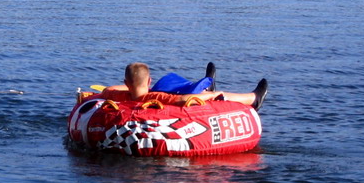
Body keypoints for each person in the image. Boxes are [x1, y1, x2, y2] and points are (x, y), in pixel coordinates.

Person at [102, 62, 268, 110]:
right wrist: (211, 96)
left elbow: (108, 90)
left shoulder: (116, 95)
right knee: (217, 95)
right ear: (149, 81)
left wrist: (131, 88)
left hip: (136, 89)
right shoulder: (155, 97)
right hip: (157, 98)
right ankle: (254, 98)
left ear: (125, 84)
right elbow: (182, 99)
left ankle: (206, 85)